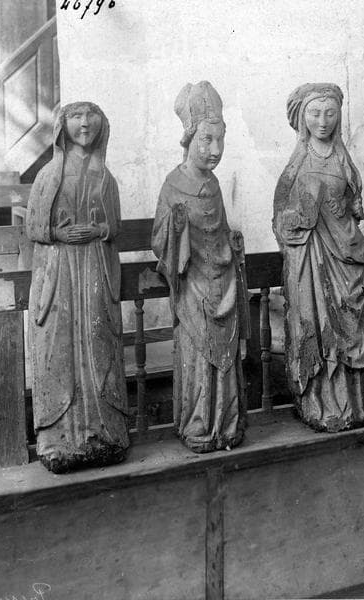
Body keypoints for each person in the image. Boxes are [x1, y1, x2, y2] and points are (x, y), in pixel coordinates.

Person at [273, 83, 364, 432]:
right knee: (320, 330)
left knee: (357, 324)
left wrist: (341, 208)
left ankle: (358, 404)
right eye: (315, 113)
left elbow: (354, 208)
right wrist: (301, 217)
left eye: (330, 113)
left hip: (347, 257)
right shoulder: (297, 165)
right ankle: (322, 404)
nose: (323, 121)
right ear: (302, 118)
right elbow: (280, 218)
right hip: (311, 261)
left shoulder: (343, 161)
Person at [26, 102, 129, 472]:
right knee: (60, 347)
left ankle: (106, 432)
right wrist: (58, 233)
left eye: (92, 116)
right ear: (62, 126)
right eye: (76, 117)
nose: (85, 123)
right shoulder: (48, 176)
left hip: (95, 270)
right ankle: (57, 439)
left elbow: (115, 225)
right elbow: (34, 226)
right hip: (60, 275)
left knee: (98, 341)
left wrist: (99, 229)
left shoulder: (105, 177)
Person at [152, 81, 250, 453]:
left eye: (220, 140)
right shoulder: (173, 184)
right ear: (190, 138)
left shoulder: (214, 184)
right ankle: (197, 424)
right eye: (207, 140)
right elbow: (159, 241)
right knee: (196, 356)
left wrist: (231, 241)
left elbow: (219, 231)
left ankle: (226, 424)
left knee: (225, 357)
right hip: (192, 288)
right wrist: (175, 227)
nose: (215, 150)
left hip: (222, 282)